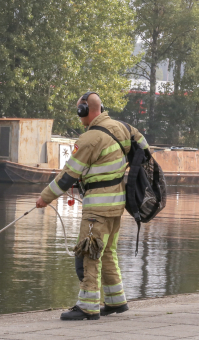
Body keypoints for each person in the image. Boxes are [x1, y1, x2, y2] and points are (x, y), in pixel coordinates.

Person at [36, 91, 149, 320]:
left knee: (90, 253)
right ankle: (116, 301)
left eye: (80, 112)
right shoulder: (124, 129)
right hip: (118, 205)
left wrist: (44, 198)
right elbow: (145, 149)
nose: (79, 117)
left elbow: (68, 176)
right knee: (108, 252)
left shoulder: (90, 139)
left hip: (97, 208)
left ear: (85, 111)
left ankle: (88, 306)